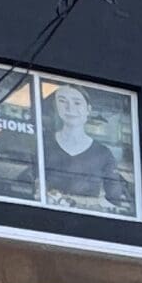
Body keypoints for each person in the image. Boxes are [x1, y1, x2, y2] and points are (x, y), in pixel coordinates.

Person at [40, 83, 132, 215]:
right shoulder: (44, 144)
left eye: (77, 103)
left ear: (88, 109)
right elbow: (29, 185)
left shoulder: (103, 154)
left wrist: (86, 206)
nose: (69, 108)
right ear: (55, 107)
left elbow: (114, 198)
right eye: (62, 101)